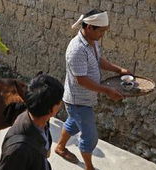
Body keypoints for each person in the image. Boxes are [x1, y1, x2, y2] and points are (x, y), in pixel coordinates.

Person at [54, 9, 131, 170]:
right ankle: (89, 167)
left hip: (85, 98)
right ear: (89, 27)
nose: (102, 34)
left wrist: (118, 70)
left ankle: (60, 147)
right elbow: (81, 80)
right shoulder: (77, 49)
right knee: (90, 137)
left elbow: (98, 60)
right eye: (101, 31)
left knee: (74, 123)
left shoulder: (92, 42)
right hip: (77, 100)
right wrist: (107, 91)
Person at [0, 74, 64, 170]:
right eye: (59, 101)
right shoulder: (18, 150)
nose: (61, 103)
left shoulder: (41, 120)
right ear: (52, 109)